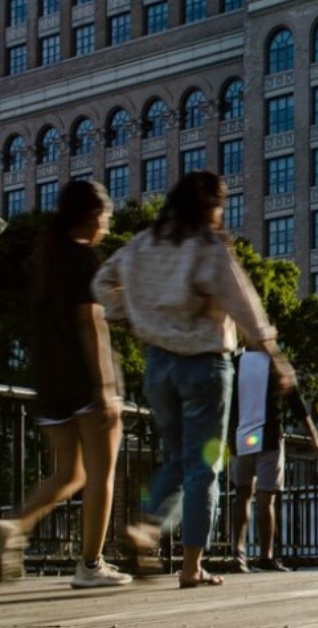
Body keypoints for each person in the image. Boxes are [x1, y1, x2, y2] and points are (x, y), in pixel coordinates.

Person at [93, 171, 295, 589]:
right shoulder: (208, 247)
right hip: (204, 365)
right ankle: (191, 566)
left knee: (178, 458)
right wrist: (274, 356)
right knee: (204, 466)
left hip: (158, 366)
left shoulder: (144, 243)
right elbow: (245, 305)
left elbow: (101, 281)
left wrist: (127, 314)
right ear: (213, 206)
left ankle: (148, 523)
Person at [0, 181, 132, 588]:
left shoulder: (46, 261)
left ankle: (12, 526)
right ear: (93, 216)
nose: (108, 226)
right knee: (102, 474)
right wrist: (106, 386)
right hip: (85, 385)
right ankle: (90, 565)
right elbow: (90, 324)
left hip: (49, 384)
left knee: (70, 473)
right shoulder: (82, 259)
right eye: (107, 217)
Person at [228, 350, 318, 573]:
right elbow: (295, 400)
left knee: (242, 495)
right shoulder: (276, 363)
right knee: (265, 498)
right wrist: (313, 433)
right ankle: (265, 556)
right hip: (269, 436)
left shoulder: (235, 363)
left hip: (240, 437)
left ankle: (238, 554)